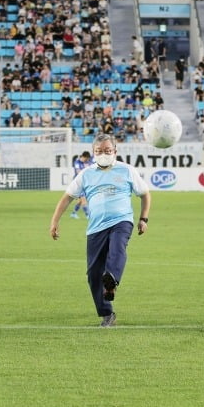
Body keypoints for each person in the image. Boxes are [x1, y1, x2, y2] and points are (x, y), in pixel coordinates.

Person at [50, 134, 152, 327]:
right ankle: (107, 313)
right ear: (94, 152)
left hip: (121, 221)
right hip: (96, 227)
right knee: (93, 274)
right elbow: (67, 197)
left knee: (117, 249)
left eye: (107, 151)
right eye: (99, 151)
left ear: (115, 151)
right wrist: (54, 221)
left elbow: (145, 194)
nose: (103, 154)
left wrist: (143, 219)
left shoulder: (127, 170)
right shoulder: (86, 174)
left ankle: (112, 279)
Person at [70, 151, 92, 219]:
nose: (87, 160)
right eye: (87, 159)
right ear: (84, 157)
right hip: (78, 183)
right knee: (84, 200)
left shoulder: (87, 163)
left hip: (85, 183)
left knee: (80, 201)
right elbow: (78, 172)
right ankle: (88, 215)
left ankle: (73, 213)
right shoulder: (77, 162)